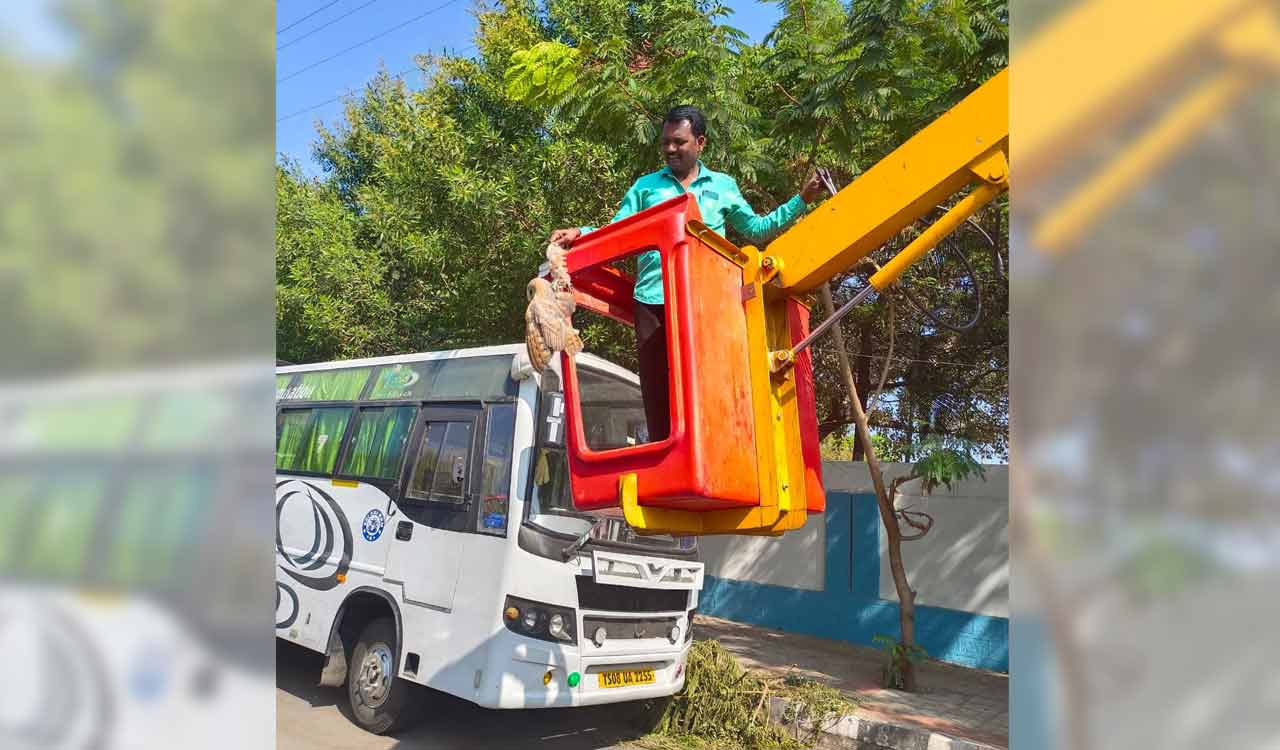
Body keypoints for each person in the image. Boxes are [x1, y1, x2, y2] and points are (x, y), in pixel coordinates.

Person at [550, 105, 825, 442]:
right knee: (658, 391)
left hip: (707, 301)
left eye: (679, 142)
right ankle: (665, 452)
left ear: (700, 143)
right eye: (665, 142)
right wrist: (581, 233)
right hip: (654, 300)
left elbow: (757, 229)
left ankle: (717, 448)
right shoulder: (646, 187)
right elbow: (616, 231)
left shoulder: (722, 186)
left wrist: (802, 199)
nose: (670, 149)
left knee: (708, 383)